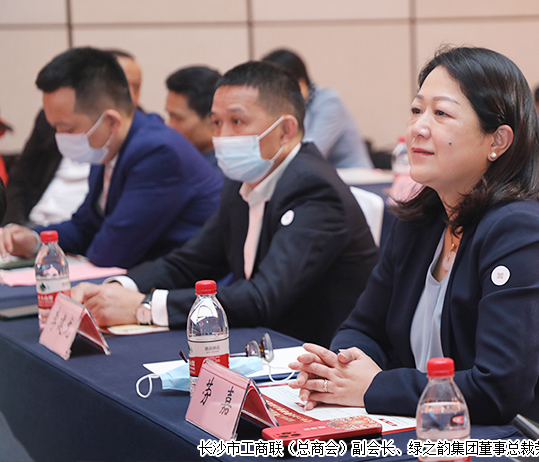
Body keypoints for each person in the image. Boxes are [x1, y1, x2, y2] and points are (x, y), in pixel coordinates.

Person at [288, 47, 539, 430]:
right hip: (434, 428)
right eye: (416, 110)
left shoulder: (521, 231)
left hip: (524, 440)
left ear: (498, 141)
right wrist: (337, 369)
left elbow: (498, 389)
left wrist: (373, 387)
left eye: (441, 113)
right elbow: (362, 328)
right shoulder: (422, 218)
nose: (418, 127)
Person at [70, 61, 378, 346]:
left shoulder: (315, 189)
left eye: (237, 121)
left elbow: (263, 297)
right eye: (217, 122)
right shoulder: (242, 180)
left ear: (285, 130)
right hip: (261, 342)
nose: (223, 136)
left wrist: (146, 307)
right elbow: (190, 262)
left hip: (318, 352)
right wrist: (120, 287)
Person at [0, 47, 222, 268]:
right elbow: (84, 226)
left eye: (67, 129)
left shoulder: (158, 152)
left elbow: (111, 252)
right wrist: (33, 240)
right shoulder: (108, 145)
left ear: (111, 121)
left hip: (188, 282)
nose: (60, 137)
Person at [3, 49, 146, 227]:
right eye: (122, 83)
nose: (128, 93)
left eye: (136, 86)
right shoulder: (55, 117)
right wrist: (13, 227)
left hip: (73, 231)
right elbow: (21, 176)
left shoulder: (136, 141)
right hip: (35, 222)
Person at [262, 49, 373, 169]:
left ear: (300, 83)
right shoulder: (287, 109)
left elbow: (311, 152)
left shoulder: (329, 103)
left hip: (353, 175)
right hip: (318, 174)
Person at [165, 65, 223, 175]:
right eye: (169, 116)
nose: (169, 126)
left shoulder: (225, 174)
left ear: (213, 120)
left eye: (178, 119)